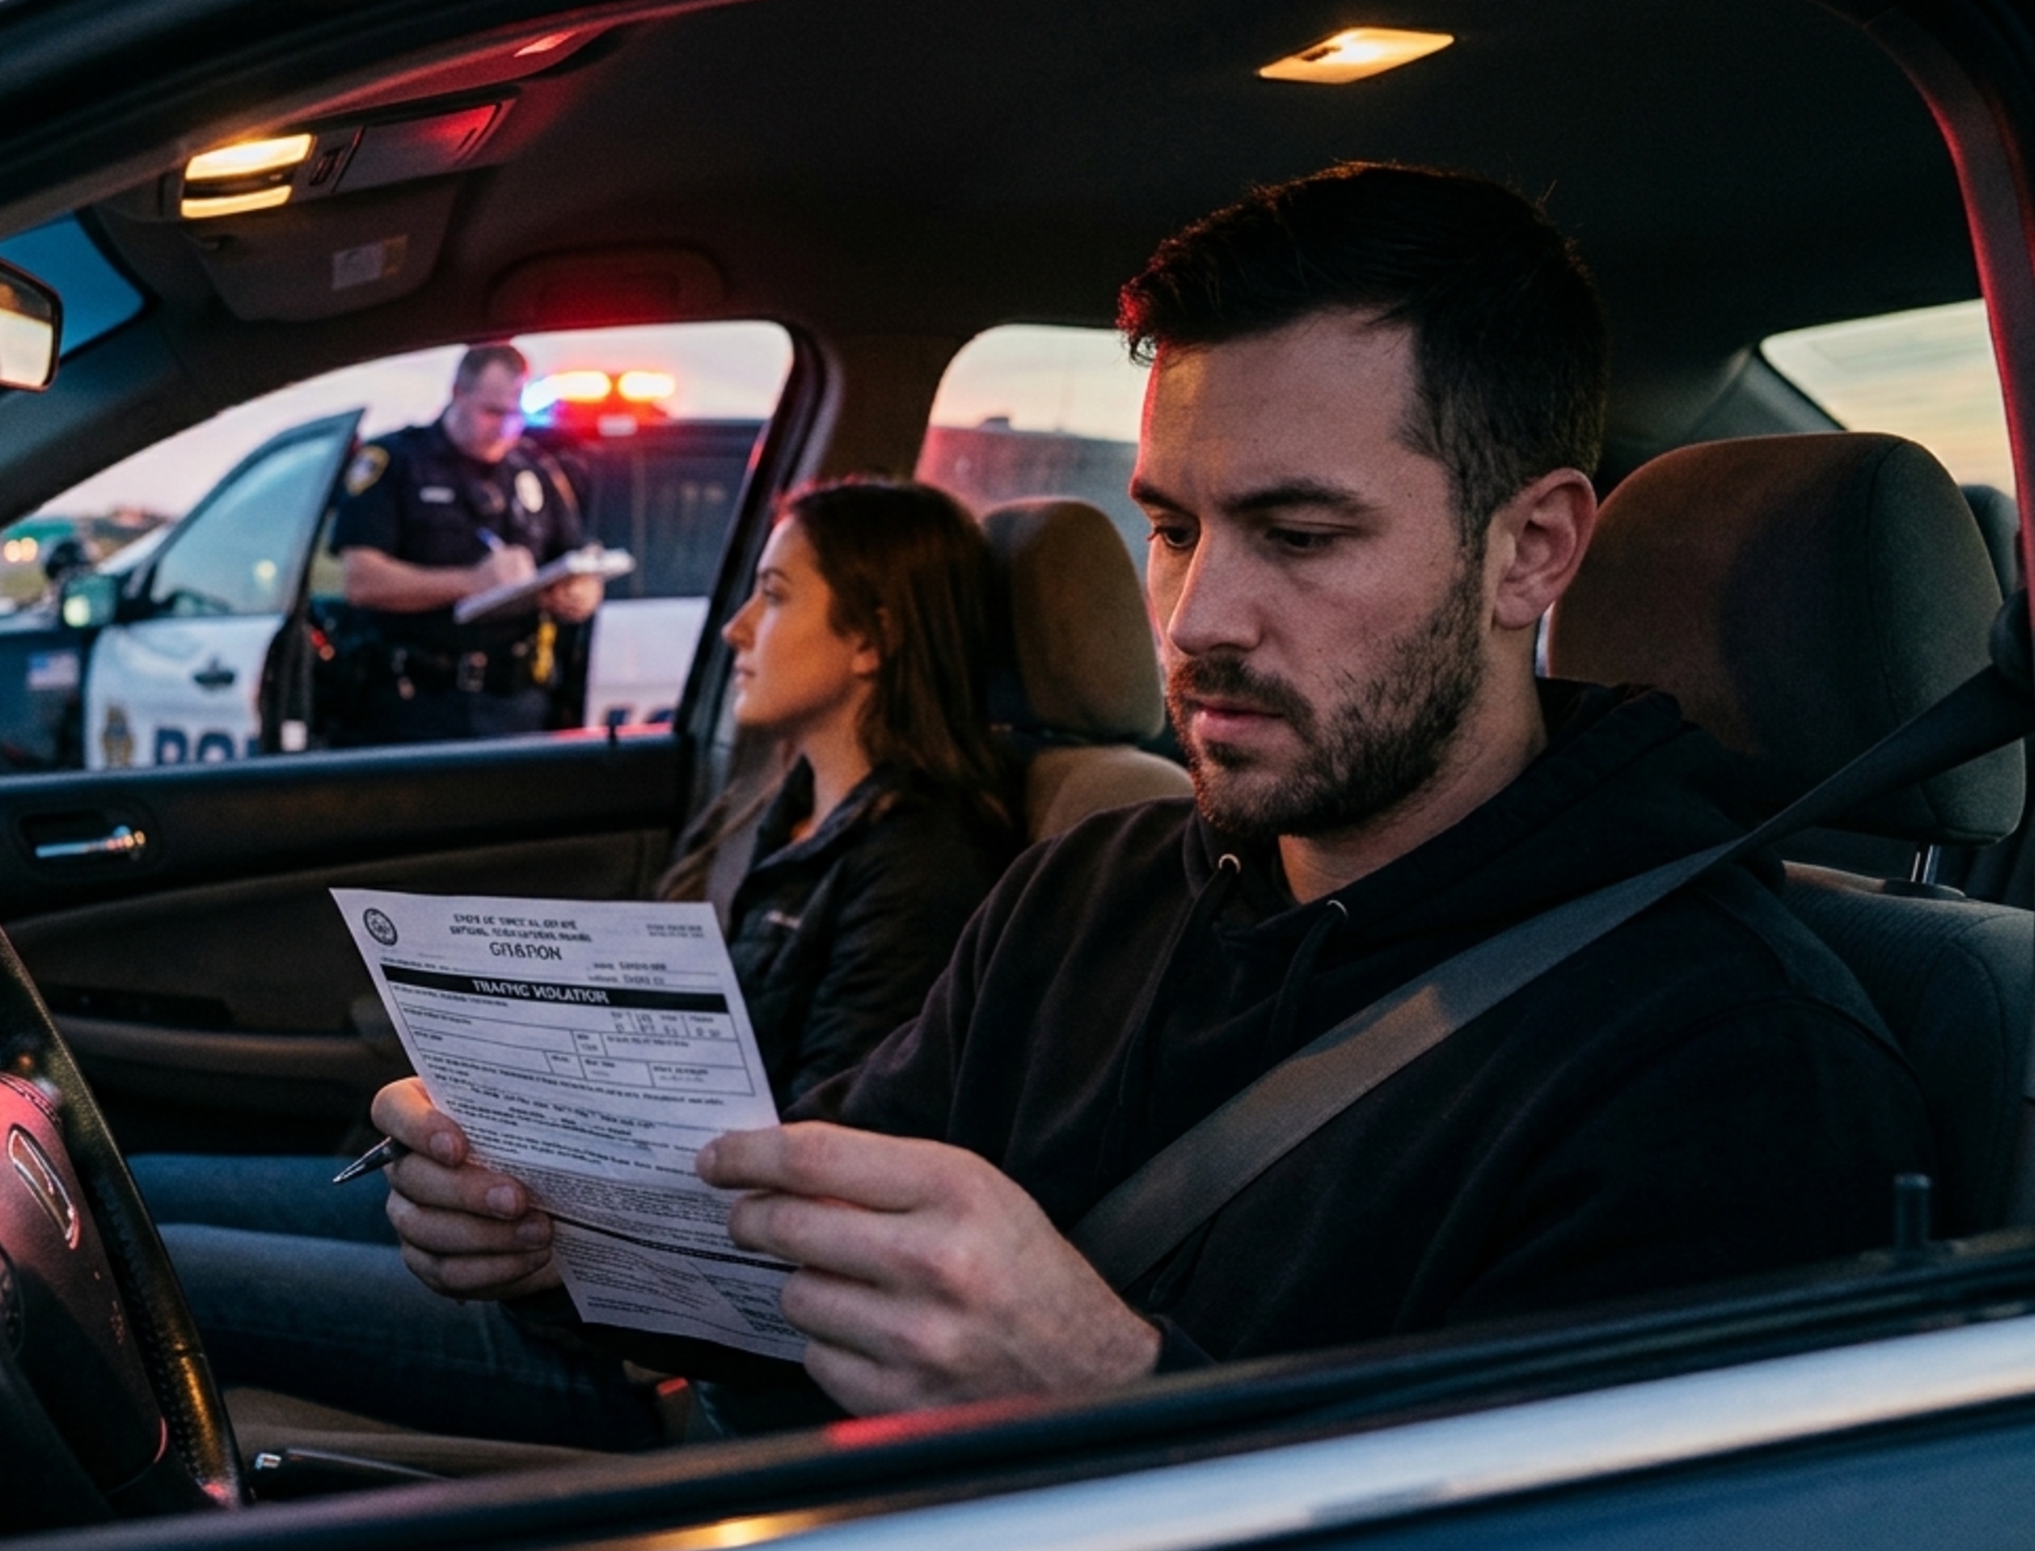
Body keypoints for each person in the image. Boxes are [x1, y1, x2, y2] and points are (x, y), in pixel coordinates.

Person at [371, 163, 1933, 1424]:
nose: (1193, 621)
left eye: (1301, 535)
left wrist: (1118, 1393)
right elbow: (804, 1283)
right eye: (1175, 526)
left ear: (1530, 552)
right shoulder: (1087, 888)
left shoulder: (1730, 1062)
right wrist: (564, 1236)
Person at [132, 479, 1022, 1447]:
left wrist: (578, 1209)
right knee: (126, 1193)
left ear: (871, 639)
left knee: (150, 1273)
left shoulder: (923, 865)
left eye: (772, 593)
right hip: (557, 1232)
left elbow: (820, 1191)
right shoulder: (782, 810)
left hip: (626, 1340)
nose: (735, 628)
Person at [327, 343, 605, 745]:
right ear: (458, 392)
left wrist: (581, 594)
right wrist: (474, 582)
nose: (506, 427)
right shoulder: (397, 461)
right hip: (413, 707)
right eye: (492, 412)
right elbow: (361, 581)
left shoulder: (535, 471)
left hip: (515, 706)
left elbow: (580, 561)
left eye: (515, 414)